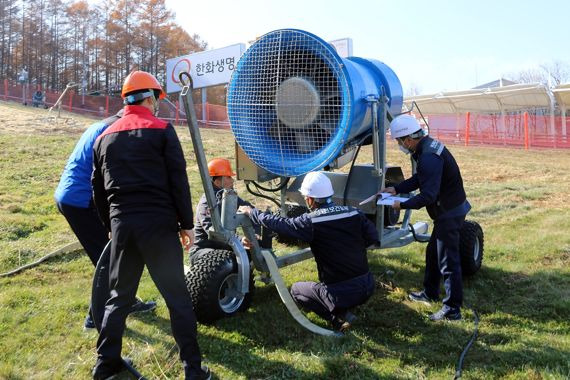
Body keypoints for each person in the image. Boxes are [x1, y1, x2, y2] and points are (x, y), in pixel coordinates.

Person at [91, 70, 210, 380]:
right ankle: (194, 371)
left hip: (123, 227)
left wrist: (110, 225)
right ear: (149, 97)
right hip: (158, 226)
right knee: (177, 299)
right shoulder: (162, 130)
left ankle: (105, 367)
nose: (158, 104)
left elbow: (98, 189)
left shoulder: (104, 136)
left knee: (119, 298)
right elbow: (178, 180)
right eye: (157, 98)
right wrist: (186, 224)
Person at [54, 109, 156, 331]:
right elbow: (107, 180)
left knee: (114, 256)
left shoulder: (101, 125)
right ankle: (96, 319)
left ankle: (126, 302)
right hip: (80, 201)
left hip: (70, 195)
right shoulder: (112, 131)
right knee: (109, 260)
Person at [239, 171, 378, 332]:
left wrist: (252, 212)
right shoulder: (354, 213)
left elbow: (280, 224)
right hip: (368, 286)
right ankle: (346, 309)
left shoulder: (311, 222)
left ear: (310, 199)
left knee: (297, 290)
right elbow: (372, 237)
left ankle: (336, 319)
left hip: (340, 294)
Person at [382, 114, 471, 321]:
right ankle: (430, 292)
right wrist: (396, 189)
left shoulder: (429, 157)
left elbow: (427, 195)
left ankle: (452, 310)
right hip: (450, 208)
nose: (400, 145)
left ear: (408, 139)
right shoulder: (426, 147)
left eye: (399, 141)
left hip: (449, 213)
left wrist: (401, 204)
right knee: (433, 253)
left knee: (448, 262)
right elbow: (420, 179)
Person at [190, 158, 254, 263]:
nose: (232, 180)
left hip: (224, 249)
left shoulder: (227, 195)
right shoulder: (207, 203)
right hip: (203, 251)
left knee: (249, 254)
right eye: (228, 177)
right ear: (217, 181)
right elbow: (216, 233)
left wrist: (262, 218)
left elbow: (248, 208)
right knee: (228, 260)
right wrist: (239, 239)